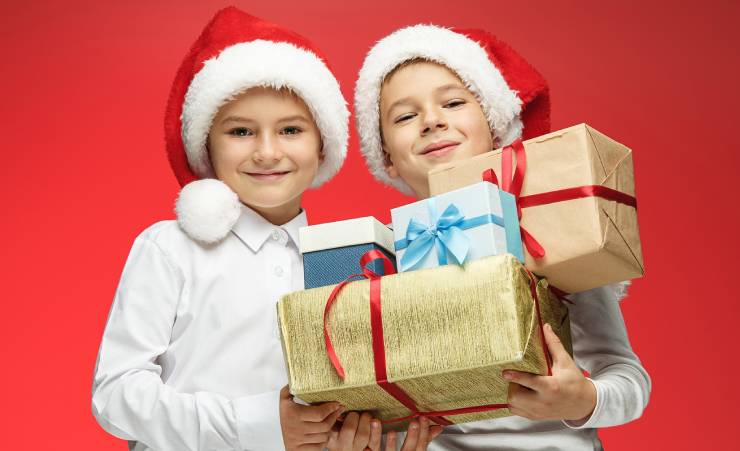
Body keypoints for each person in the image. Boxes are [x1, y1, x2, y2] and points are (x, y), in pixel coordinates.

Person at [354, 24, 651, 450]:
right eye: (404, 116)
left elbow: (628, 377)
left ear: (494, 126)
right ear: (386, 157)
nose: (432, 121)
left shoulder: (552, 235)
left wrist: (584, 399)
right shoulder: (373, 262)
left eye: (453, 103)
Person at [92, 7, 358, 450]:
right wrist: (254, 424)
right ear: (206, 148)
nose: (268, 152)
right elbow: (116, 395)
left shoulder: (345, 260)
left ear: (322, 143)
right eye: (241, 132)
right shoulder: (170, 248)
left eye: (290, 129)